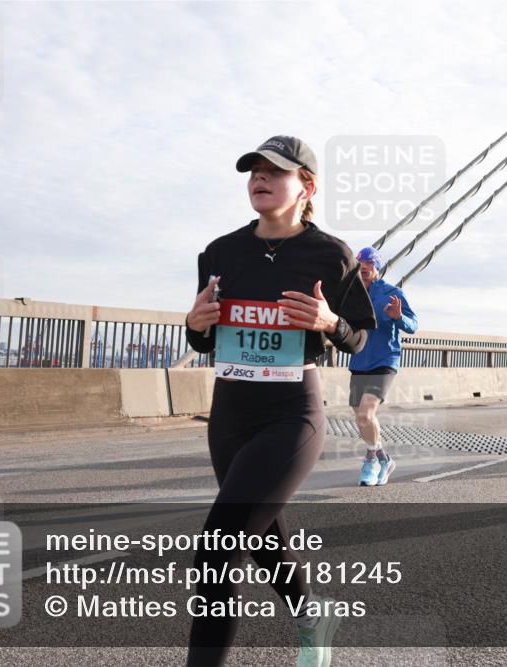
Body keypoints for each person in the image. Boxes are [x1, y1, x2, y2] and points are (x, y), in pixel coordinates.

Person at [183, 136, 376, 667]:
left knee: (217, 551)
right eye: (254, 172)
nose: (260, 179)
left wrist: (330, 322)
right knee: (263, 538)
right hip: (230, 414)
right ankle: (313, 613)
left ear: (306, 187)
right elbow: (204, 336)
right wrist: (194, 325)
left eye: (275, 172)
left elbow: (361, 337)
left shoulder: (330, 255)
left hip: (291, 413)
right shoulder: (220, 252)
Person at [348, 246, 418, 487]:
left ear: (377, 267)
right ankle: (383, 458)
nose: (364, 267)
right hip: (358, 359)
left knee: (367, 412)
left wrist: (398, 317)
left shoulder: (392, 292)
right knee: (361, 419)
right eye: (360, 264)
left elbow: (413, 325)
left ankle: (370, 460)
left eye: (369, 264)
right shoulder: (351, 292)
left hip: (385, 360)